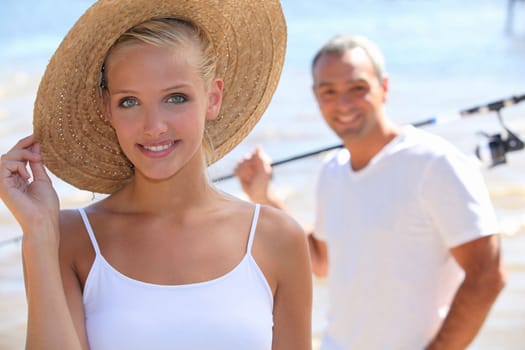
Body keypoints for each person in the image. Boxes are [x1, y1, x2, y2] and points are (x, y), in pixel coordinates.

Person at [0, 1, 313, 349]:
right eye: (130, 102)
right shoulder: (67, 240)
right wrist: (39, 233)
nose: (153, 127)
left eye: (175, 97)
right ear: (108, 108)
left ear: (213, 98)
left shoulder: (277, 238)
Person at [234, 34, 506, 350]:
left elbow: (487, 275)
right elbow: (322, 262)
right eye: (329, 92)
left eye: (357, 88)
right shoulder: (332, 170)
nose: (343, 103)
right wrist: (265, 198)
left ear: (384, 87)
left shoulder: (435, 163)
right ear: (316, 97)